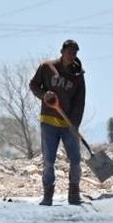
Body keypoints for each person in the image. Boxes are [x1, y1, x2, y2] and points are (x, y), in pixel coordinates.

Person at [29, 40, 86, 206]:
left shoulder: (78, 76)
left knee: (75, 160)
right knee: (48, 161)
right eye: (69, 52)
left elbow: (79, 102)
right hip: (48, 122)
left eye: (74, 52)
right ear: (62, 51)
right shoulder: (47, 67)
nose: (71, 55)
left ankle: (74, 194)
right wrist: (43, 94)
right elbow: (34, 85)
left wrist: (74, 124)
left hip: (68, 126)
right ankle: (48, 196)